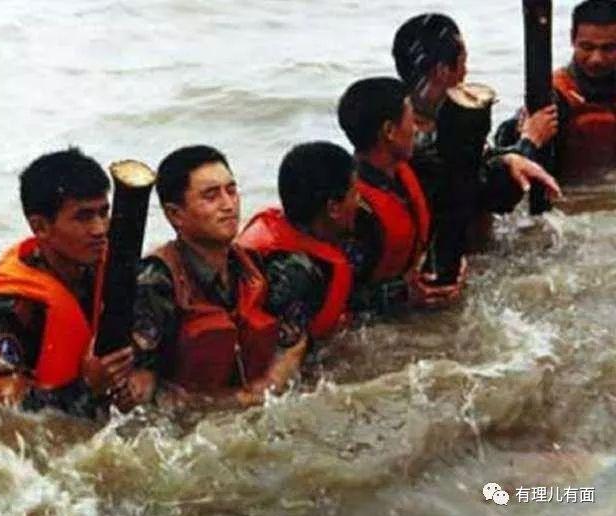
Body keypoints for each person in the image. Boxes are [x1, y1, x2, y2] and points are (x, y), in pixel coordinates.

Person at [130, 145, 307, 409]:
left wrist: (269, 385)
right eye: (211, 196)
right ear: (175, 214)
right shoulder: (154, 286)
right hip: (194, 426)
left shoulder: (265, 268)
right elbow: (142, 395)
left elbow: (294, 342)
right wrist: (236, 401)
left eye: (231, 191)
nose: (228, 205)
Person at [392, 14, 561, 281]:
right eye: (463, 62)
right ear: (442, 71)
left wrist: (515, 139)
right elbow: (491, 192)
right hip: (455, 269)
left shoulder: (420, 118)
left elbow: (480, 163)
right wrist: (530, 142)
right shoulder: (413, 143)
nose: (465, 72)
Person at [0, 148, 133, 417]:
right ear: (40, 227)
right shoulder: (4, 306)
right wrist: (88, 386)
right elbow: (9, 417)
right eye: (83, 217)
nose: (100, 229)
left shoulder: (113, 270)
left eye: (103, 213)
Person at [337, 76, 462, 313]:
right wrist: (401, 295)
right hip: (379, 325)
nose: (416, 129)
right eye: (411, 120)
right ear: (389, 131)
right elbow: (342, 297)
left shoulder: (405, 168)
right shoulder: (356, 210)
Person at [237, 141, 358, 349]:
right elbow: (283, 356)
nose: (359, 201)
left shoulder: (292, 229)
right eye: (354, 194)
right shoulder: (296, 274)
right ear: (333, 208)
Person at [496, 0, 616, 184]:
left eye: (608, 48)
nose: (596, 59)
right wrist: (521, 130)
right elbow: (506, 145)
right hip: (569, 195)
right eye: (587, 47)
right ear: (572, 39)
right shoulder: (555, 94)